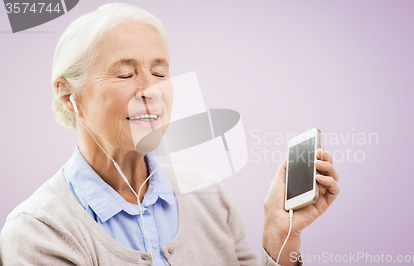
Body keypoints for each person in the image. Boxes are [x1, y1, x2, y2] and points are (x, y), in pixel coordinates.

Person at [0, 3, 340, 266]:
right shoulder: (37, 232)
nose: (151, 89)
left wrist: (279, 239)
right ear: (68, 96)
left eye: (159, 71)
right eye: (125, 73)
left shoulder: (211, 196)